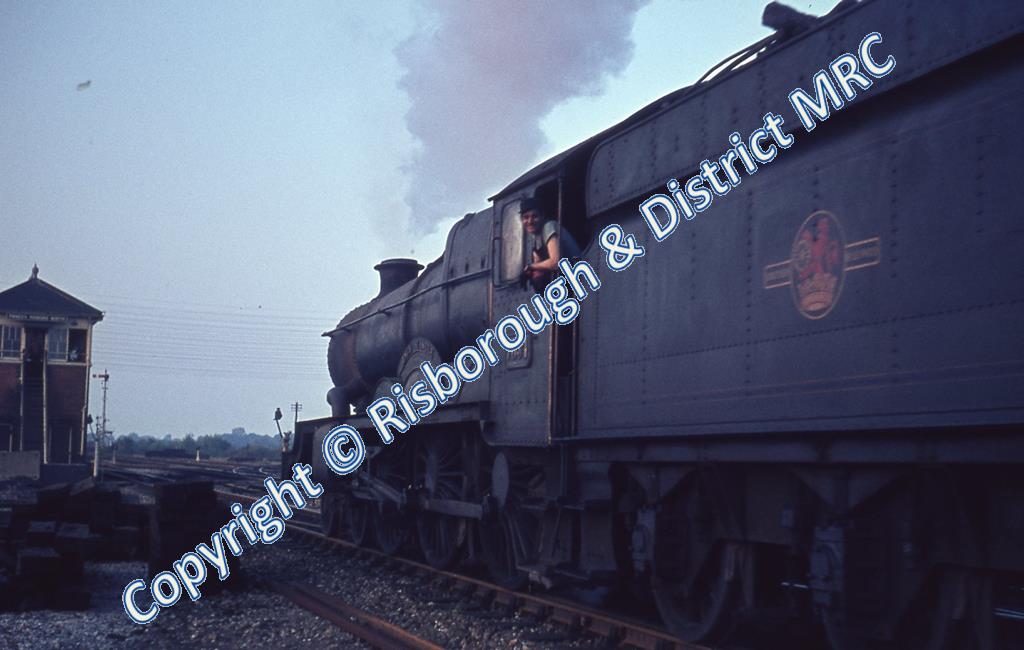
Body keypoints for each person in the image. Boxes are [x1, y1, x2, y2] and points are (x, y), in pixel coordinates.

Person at [520, 197, 581, 291]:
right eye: (526, 217)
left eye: (534, 216)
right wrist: (529, 272)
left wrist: (531, 267)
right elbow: (539, 264)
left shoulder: (549, 226)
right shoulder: (536, 237)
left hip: (578, 277)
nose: (530, 221)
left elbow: (556, 262)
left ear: (542, 216)